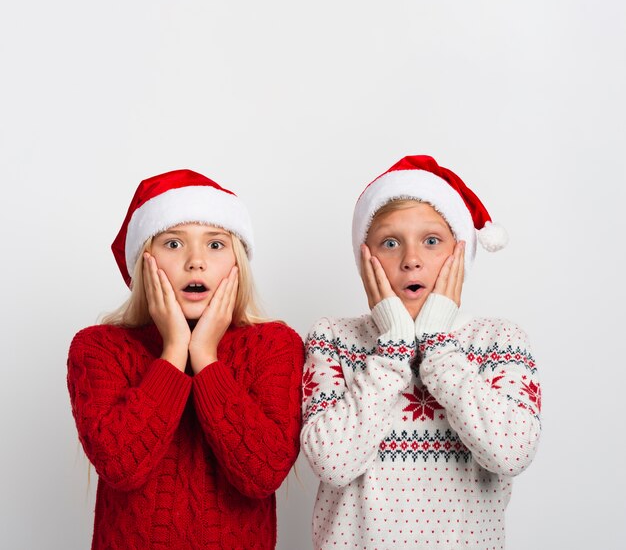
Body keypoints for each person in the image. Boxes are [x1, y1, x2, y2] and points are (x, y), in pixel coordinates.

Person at [301, 155, 541, 550]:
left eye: (431, 241)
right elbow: (332, 462)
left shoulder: (500, 340)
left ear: (459, 255)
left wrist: (438, 348)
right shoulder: (332, 338)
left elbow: (512, 453)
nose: (411, 259)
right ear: (365, 259)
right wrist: (393, 347)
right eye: (390, 243)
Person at [67, 169, 304, 550]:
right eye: (173, 244)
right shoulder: (98, 347)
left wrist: (206, 359)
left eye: (215, 244)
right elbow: (121, 465)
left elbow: (262, 473)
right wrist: (175, 350)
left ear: (237, 262)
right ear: (144, 262)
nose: (196, 261)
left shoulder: (275, 346)